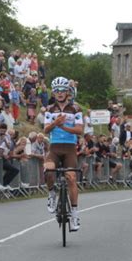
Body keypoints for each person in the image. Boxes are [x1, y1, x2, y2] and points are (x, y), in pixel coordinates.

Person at [44, 76, 83, 231]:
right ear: (53, 93)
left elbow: (80, 130)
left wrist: (64, 127)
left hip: (69, 148)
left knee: (71, 178)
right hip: (54, 148)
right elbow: (46, 129)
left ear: (68, 91)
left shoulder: (76, 109)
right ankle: (52, 193)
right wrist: (55, 123)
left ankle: (74, 213)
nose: (59, 93)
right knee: (48, 170)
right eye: (56, 90)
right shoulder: (49, 109)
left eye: (62, 90)